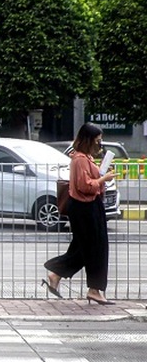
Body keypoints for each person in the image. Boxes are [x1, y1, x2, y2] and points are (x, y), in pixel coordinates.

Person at [43, 123, 116, 305]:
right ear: (88, 140)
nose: (100, 145)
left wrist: (102, 172)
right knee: (95, 248)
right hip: (85, 207)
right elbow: (85, 185)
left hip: (90, 207)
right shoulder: (80, 159)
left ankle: (56, 274)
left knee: (84, 247)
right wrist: (103, 178)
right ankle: (93, 289)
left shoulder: (85, 158)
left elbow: (90, 179)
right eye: (98, 141)